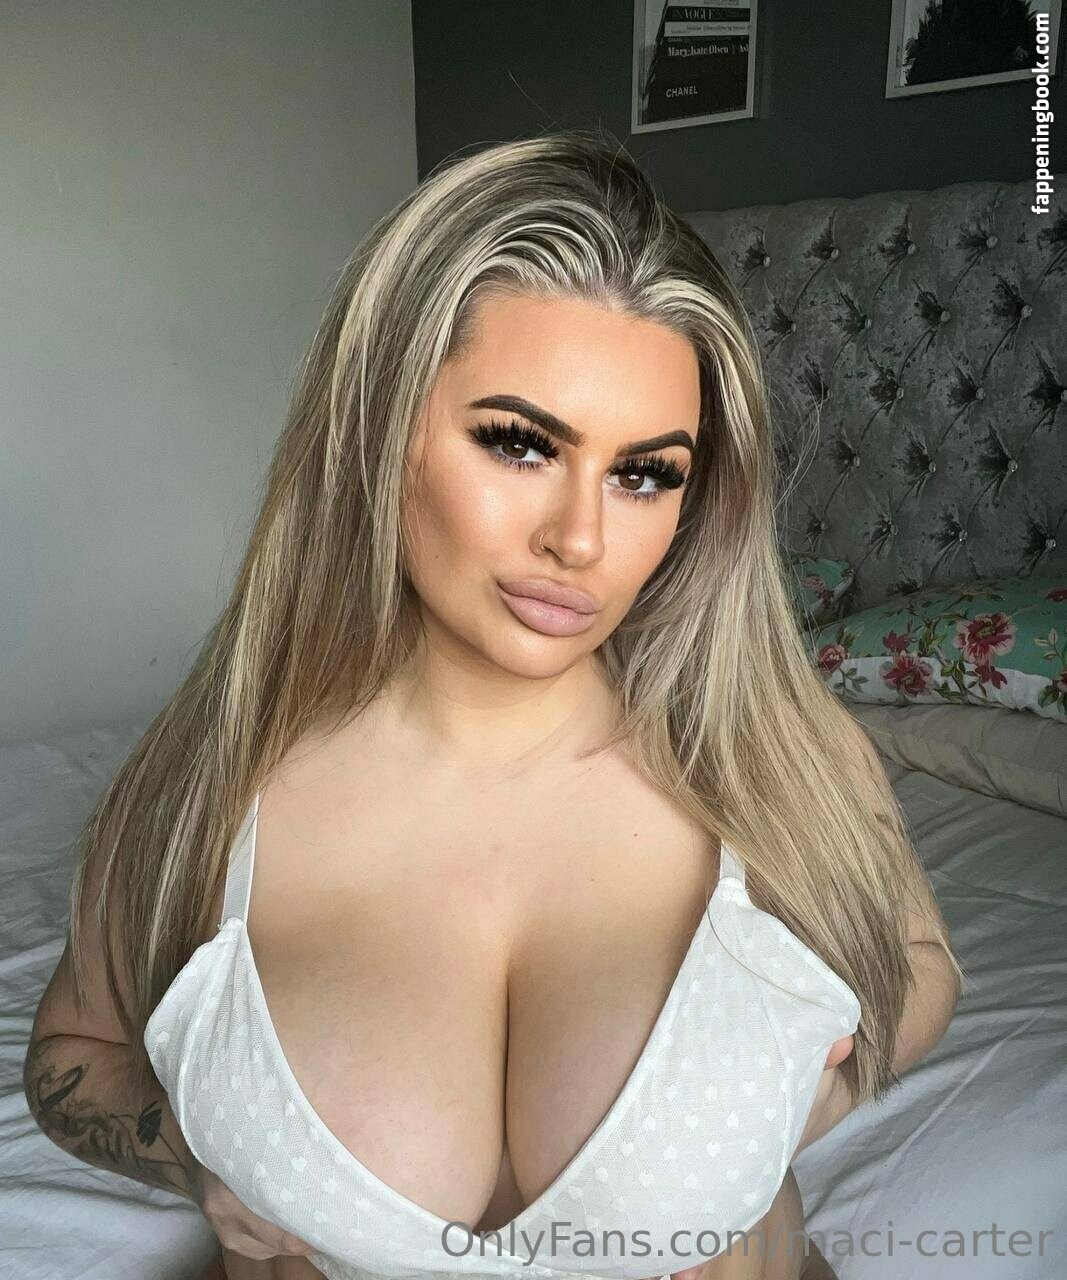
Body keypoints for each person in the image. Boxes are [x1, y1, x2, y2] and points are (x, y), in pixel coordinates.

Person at [24, 130, 962, 1280]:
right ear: (379, 433)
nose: (580, 538)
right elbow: (72, 1055)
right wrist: (194, 1157)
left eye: (644, 473)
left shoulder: (774, 753)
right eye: (519, 444)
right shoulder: (208, 783)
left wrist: (805, 1108)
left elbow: (919, 963)